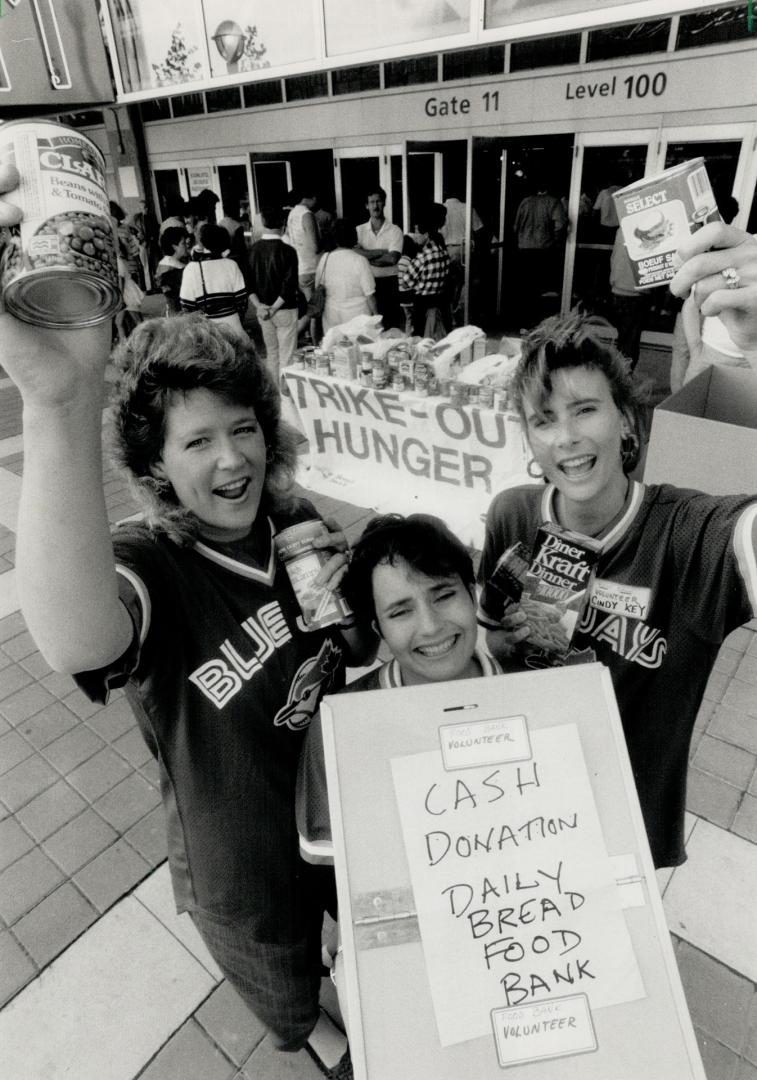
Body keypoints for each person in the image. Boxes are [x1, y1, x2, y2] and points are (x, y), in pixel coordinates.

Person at [0, 160, 377, 1066]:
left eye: (243, 427)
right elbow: (77, 635)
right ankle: (318, 1036)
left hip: (341, 813)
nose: (231, 459)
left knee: (364, 938)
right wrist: (58, 402)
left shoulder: (295, 521)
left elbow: (348, 642)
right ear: (157, 463)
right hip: (239, 858)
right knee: (288, 996)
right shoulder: (152, 564)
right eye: (198, 440)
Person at [476, 309, 757, 871]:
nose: (568, 437)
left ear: (627, 419)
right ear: (529, 437)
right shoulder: (512, 515)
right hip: (519, 808)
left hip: (626, 828)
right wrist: (509, 644)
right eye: (545, 419)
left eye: (586, 409)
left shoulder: (686, 535)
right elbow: (486, 647)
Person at [297, 511, 503, 866]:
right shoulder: (338, 727)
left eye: (443, 596)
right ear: (378, 629)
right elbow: (333, 867)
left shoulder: (540, 693)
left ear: (472, 595)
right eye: (400, 612)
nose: (430, 627)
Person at [247, 205, 300, 383]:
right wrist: (274, 308)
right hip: (284, 309)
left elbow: (248, 285)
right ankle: (287, 398)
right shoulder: (289, 251)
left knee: (272, 354)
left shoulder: (252, 251)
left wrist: (261, 307)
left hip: (262, 310)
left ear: (262, 221)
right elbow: (289, 285)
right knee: (287, 355)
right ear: (283, 223)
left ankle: (273, 396)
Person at [513, 178, 567, 330]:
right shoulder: (553, 202)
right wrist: (555, 241)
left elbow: (515, 226)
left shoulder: (525, 202)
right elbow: (560, 225)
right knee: (541, 288)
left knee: (526, 287)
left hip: (524, 248)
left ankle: (525, 321)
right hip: (543, 249)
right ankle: (539, 322)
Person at [180, 223, 249, 338]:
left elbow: (187, 308)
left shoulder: (191, 269)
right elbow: (242, 302)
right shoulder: (231, 265)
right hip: (234, 327)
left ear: (202, 242)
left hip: (207, 332)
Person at [315, 219, 377, 336]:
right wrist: (377, 318)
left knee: (336, 351)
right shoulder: (360, 260)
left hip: (332, 317)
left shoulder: (325, 259)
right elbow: (370, 295)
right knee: (360, 352)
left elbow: (317, 287)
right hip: (359, 319)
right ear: (354, 236)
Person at [398, 203, 451, 339]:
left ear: (426, 233)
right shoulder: (443, 252)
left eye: (417, 232)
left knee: (422, 345)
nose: (416, 235)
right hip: (440, 306)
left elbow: (405, 282)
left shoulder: (423, 257)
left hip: (422, 309)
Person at [355, 186, 404, 331]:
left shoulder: (395, 230)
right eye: (372, 202)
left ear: (384, 203)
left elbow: (392, 259)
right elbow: (354, 253)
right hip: (367, 285)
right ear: (366, 205)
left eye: (378, 201)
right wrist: (382, 252)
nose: (375, 206)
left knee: (389, 327)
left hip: (389, 285)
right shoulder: (359, 230)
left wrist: (366, 255)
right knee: (368, 328)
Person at [154, 226, 190, 316]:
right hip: (179, 313)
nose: (186, 246)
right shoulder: (173, 267)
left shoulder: (164, 263)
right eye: (183, 243)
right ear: (174, 246)